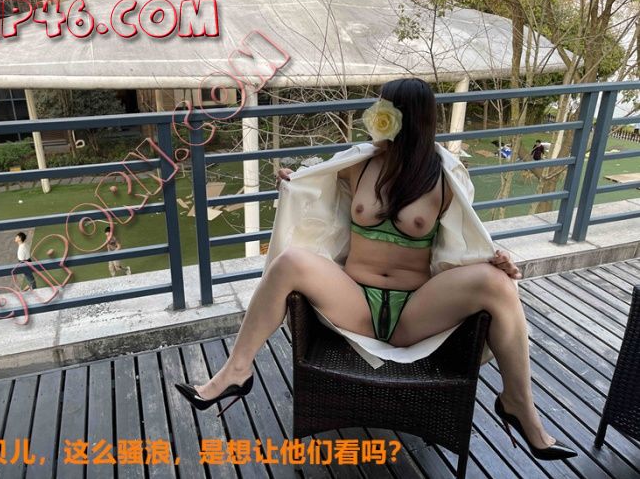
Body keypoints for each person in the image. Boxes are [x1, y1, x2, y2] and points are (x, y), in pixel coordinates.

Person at [175, 78, 576, 460]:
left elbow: (463, 240)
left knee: (499, 283)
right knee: (289, 263)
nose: (376, 115)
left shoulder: (446, 176)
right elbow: (318, 194)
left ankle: (517, 402)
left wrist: (495, 257)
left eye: (385, 108)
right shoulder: (359, 164)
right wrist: (294, 183)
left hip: (413, 312)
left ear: (409, 117)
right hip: (356, 304)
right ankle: (236, 371)